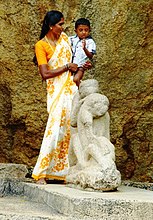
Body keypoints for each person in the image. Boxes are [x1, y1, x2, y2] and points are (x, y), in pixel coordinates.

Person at [31, 10, 91, 184]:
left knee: (70, 129)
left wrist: (81, 66)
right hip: (56, 92)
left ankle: (64, 172)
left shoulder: (65, 39)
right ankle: (41, 172)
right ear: (51, 26)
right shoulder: (41, 45)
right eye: (60, 24)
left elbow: (76, 59)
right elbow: (45, 73)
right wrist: (66, 67)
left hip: (71, 88)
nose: (63, 28)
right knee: (54, 129)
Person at [69, 18, 96, 87]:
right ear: (76, 31)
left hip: (81, 66)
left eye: (86, 30)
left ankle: (81, 90)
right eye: (81, 30)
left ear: (89, 30)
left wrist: (84, 48)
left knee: (76, 79)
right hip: (71, 65)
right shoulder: (71, 39)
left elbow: (90, 55)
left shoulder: (90, 42)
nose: (84, 32)